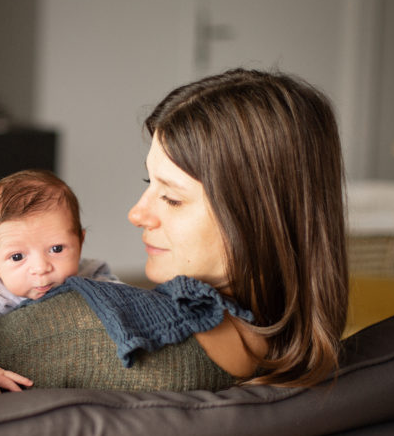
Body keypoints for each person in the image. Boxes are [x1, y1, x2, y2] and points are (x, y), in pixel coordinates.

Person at [126, 68, 348, 386]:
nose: (136, 214)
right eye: (150, 182)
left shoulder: (130, 345)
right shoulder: (294, 359)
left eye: (171, 198)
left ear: (257, 219)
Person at [0, 169, 119, 398]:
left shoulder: (91, 274)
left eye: (56, 249)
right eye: (17, 257)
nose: (41, 268)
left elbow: (121, 300)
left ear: (80, 241)